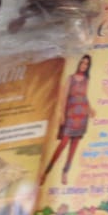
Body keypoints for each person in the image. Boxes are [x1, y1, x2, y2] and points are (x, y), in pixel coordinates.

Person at [42, 55, 95, 185]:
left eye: (86, 64)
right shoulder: (71, 78)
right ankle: (46, 172)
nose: (84, 65)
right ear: (79, 63)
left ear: (88, 66)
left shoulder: (86, 80)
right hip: (70, 114)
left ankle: (65, 172)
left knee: (74, 146)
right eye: (82, 62)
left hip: (82, 115)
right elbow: (64, 97)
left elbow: (84, 96)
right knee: (63, 144)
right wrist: (62, 114)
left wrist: (90, 109)